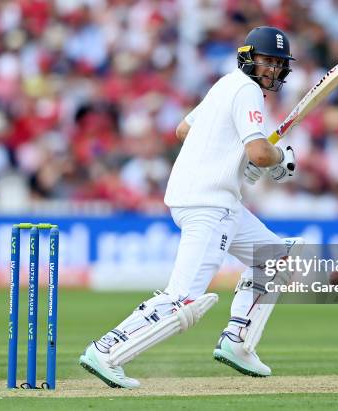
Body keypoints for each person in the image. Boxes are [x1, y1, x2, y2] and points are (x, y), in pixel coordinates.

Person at [79, 26, 303, 388]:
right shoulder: (247, 90)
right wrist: (280, 159)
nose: (272, 69)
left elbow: (184, 130)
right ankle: (106, 351)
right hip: (209, 203)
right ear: (248, 57)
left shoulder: (224, 85)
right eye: (267, 60)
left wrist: (233, 155)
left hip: (210, 199)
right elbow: (261, 153)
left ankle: (238, 343)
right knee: (182, 299)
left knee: (276, 257)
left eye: (278, 63)